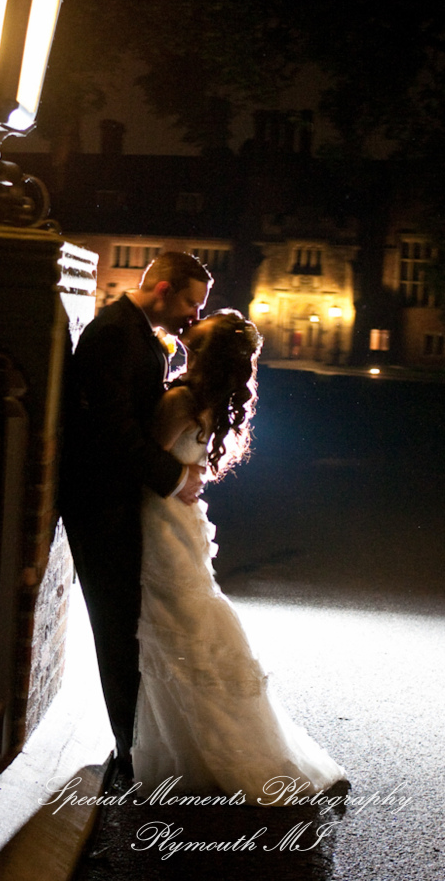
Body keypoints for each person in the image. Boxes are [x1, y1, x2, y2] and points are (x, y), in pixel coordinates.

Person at [132, 309, 347, 799]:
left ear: (203, 351)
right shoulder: (208, 400)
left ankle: (203, 752)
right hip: (182, 521)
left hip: (163, 521)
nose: (190, 325)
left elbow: (146, 458)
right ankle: (208, 747)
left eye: (198, 329)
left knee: (175, 632)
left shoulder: (181, 400)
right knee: (187, 630)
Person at [60, 252, 212, 776]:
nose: (194, 314)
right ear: (163, 289)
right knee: (116, 627)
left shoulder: (138, 333)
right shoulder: (114, 335)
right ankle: (130, 750)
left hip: (120, 500)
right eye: (190, 302)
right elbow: (114, 431)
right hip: (100, 502)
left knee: (127, 625)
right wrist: (176, 478)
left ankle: (135, 743)